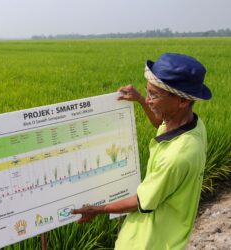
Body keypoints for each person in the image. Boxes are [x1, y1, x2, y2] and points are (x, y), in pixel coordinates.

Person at [71, 53, 212, 250]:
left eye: (154, 95)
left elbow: (141, 201)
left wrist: (98, 209)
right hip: (162, 231)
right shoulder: (192, 124)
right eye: (147, 92)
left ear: (182, 101)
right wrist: (139, 99)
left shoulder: (177, 156)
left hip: (151, 240)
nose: (149, 100)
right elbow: (160, 123)